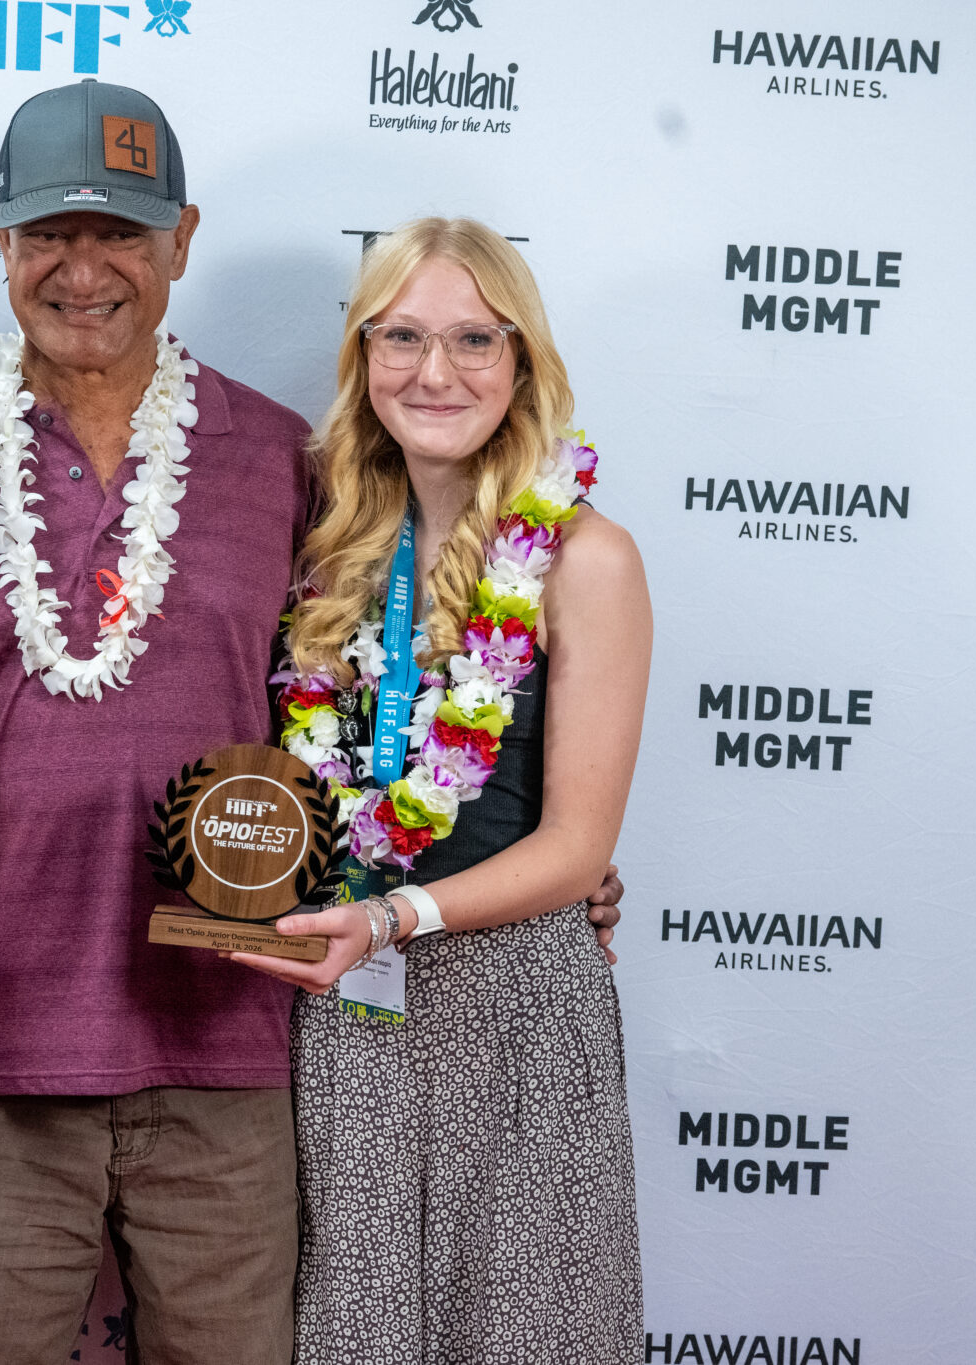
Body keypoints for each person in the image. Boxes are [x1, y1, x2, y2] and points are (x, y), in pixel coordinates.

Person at [0, 84, 625, 1365]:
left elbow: (407, 687)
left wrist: (554, 862)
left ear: (180, 242)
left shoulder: (289, 467)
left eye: (121, 234)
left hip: (230, 1048)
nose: (82, 270)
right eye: (49, 233)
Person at [242, 218, 650, 1362]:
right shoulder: (326, 555)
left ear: (521, 361)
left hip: (515, 1015)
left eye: (474, 339)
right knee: (353, 1334)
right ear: (362, 355)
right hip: (346, 1017)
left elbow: (576, 847)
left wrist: (392, 917)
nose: (435, 371)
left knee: (519, 1334)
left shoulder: (585, 560)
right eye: (403, 337)